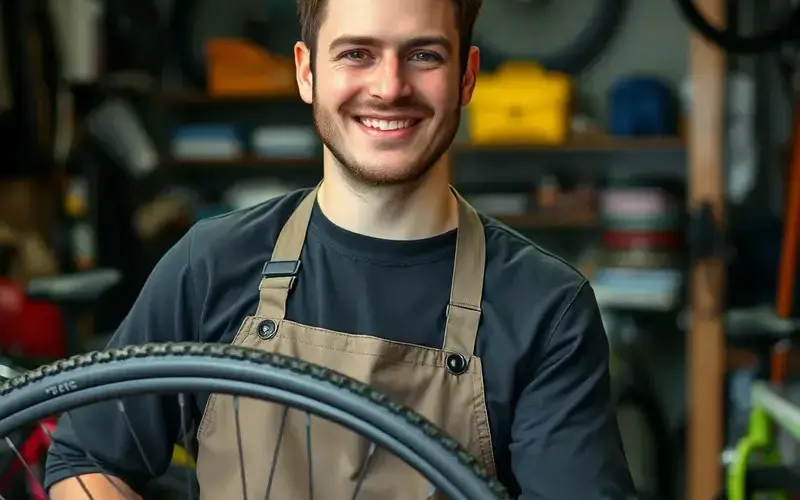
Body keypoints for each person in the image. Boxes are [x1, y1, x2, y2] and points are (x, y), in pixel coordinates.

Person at [45, 0, 635, 498]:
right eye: (357, 53)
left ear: (467, 77)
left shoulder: (545, 308)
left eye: (423, 55)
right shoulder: (211, 265)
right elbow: (84, 457)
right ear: (307, 72)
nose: (389, 87)